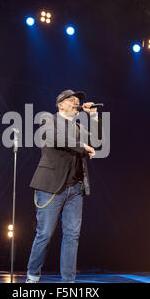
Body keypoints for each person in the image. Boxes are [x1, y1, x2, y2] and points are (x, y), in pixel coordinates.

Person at [26, 89, 100, 283]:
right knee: (45, 234)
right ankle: (32, 276)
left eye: (78, 100)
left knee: (72, 236)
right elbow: (55, 139)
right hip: (50, 186)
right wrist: (83, 147)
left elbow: (95, 140)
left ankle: (68, 282)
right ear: (60, 104)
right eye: (72, 100)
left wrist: (93, 117)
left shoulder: (77, 127)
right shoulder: (48, 120)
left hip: (75, 189)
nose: (76, 103)